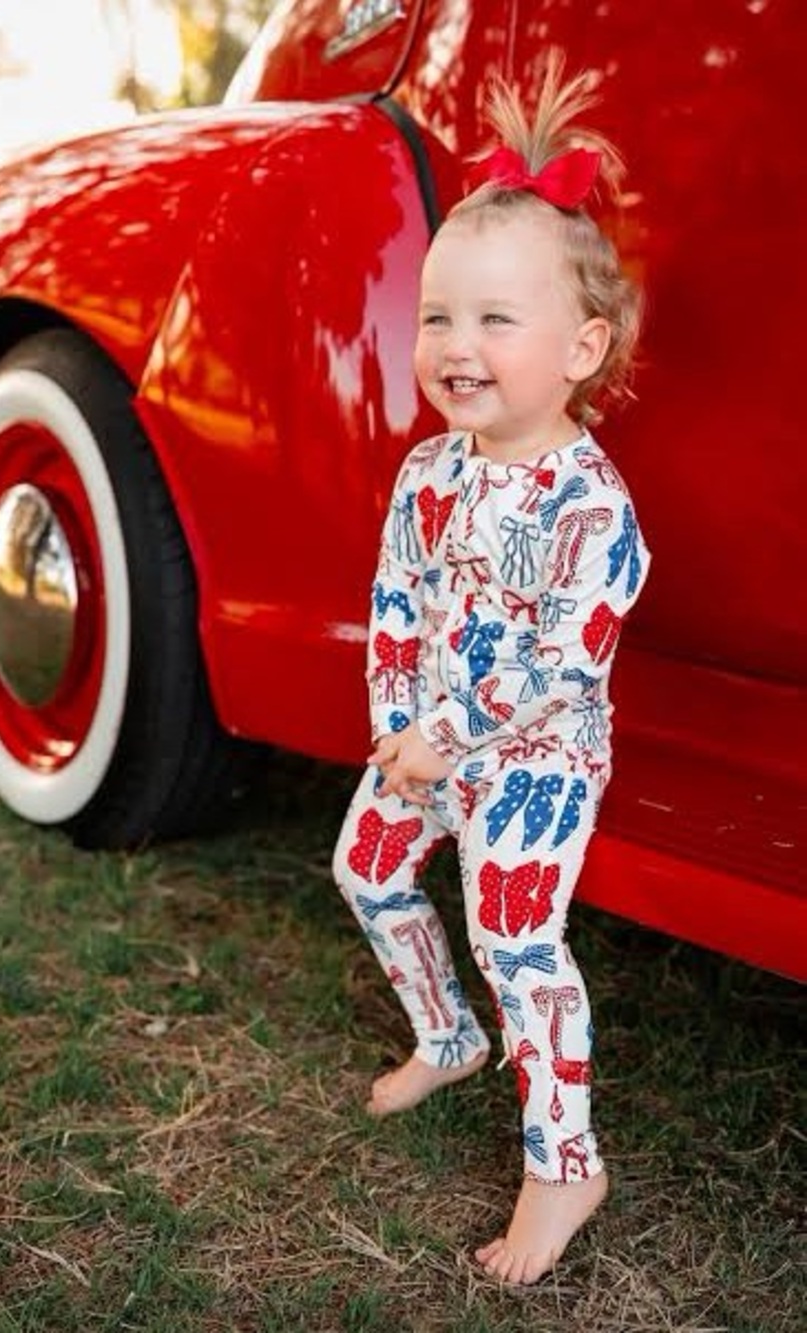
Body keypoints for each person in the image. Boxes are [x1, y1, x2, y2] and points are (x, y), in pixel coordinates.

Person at [332, 53, 651, 1286]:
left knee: (517, 933)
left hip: (536, 753)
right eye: (437, 315)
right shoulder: (431, 471)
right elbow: (399, 600)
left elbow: (566, 662)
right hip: (429, 735)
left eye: (493, 321)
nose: (456, 346)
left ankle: (565, 1161)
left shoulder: (592, 508)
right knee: (367, 867)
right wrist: (400, 726)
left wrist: (453, 739)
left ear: (581, 347)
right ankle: (445, 1032)